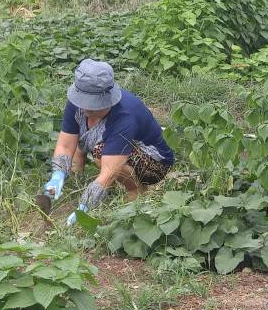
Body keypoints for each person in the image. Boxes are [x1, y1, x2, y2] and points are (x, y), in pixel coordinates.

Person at [43, 59, 174, 225]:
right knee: (81, 138)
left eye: (91, 106)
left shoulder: (124, 116)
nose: (84, 109)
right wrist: (58, 175)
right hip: (111, 144)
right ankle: (77, 181)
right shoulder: (78, 104)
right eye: (82, 103)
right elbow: (65, 144)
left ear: (107, 100)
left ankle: (136, 190)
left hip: (154, 162)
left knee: (100, 151)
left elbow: (109, 172)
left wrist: (84, 207)